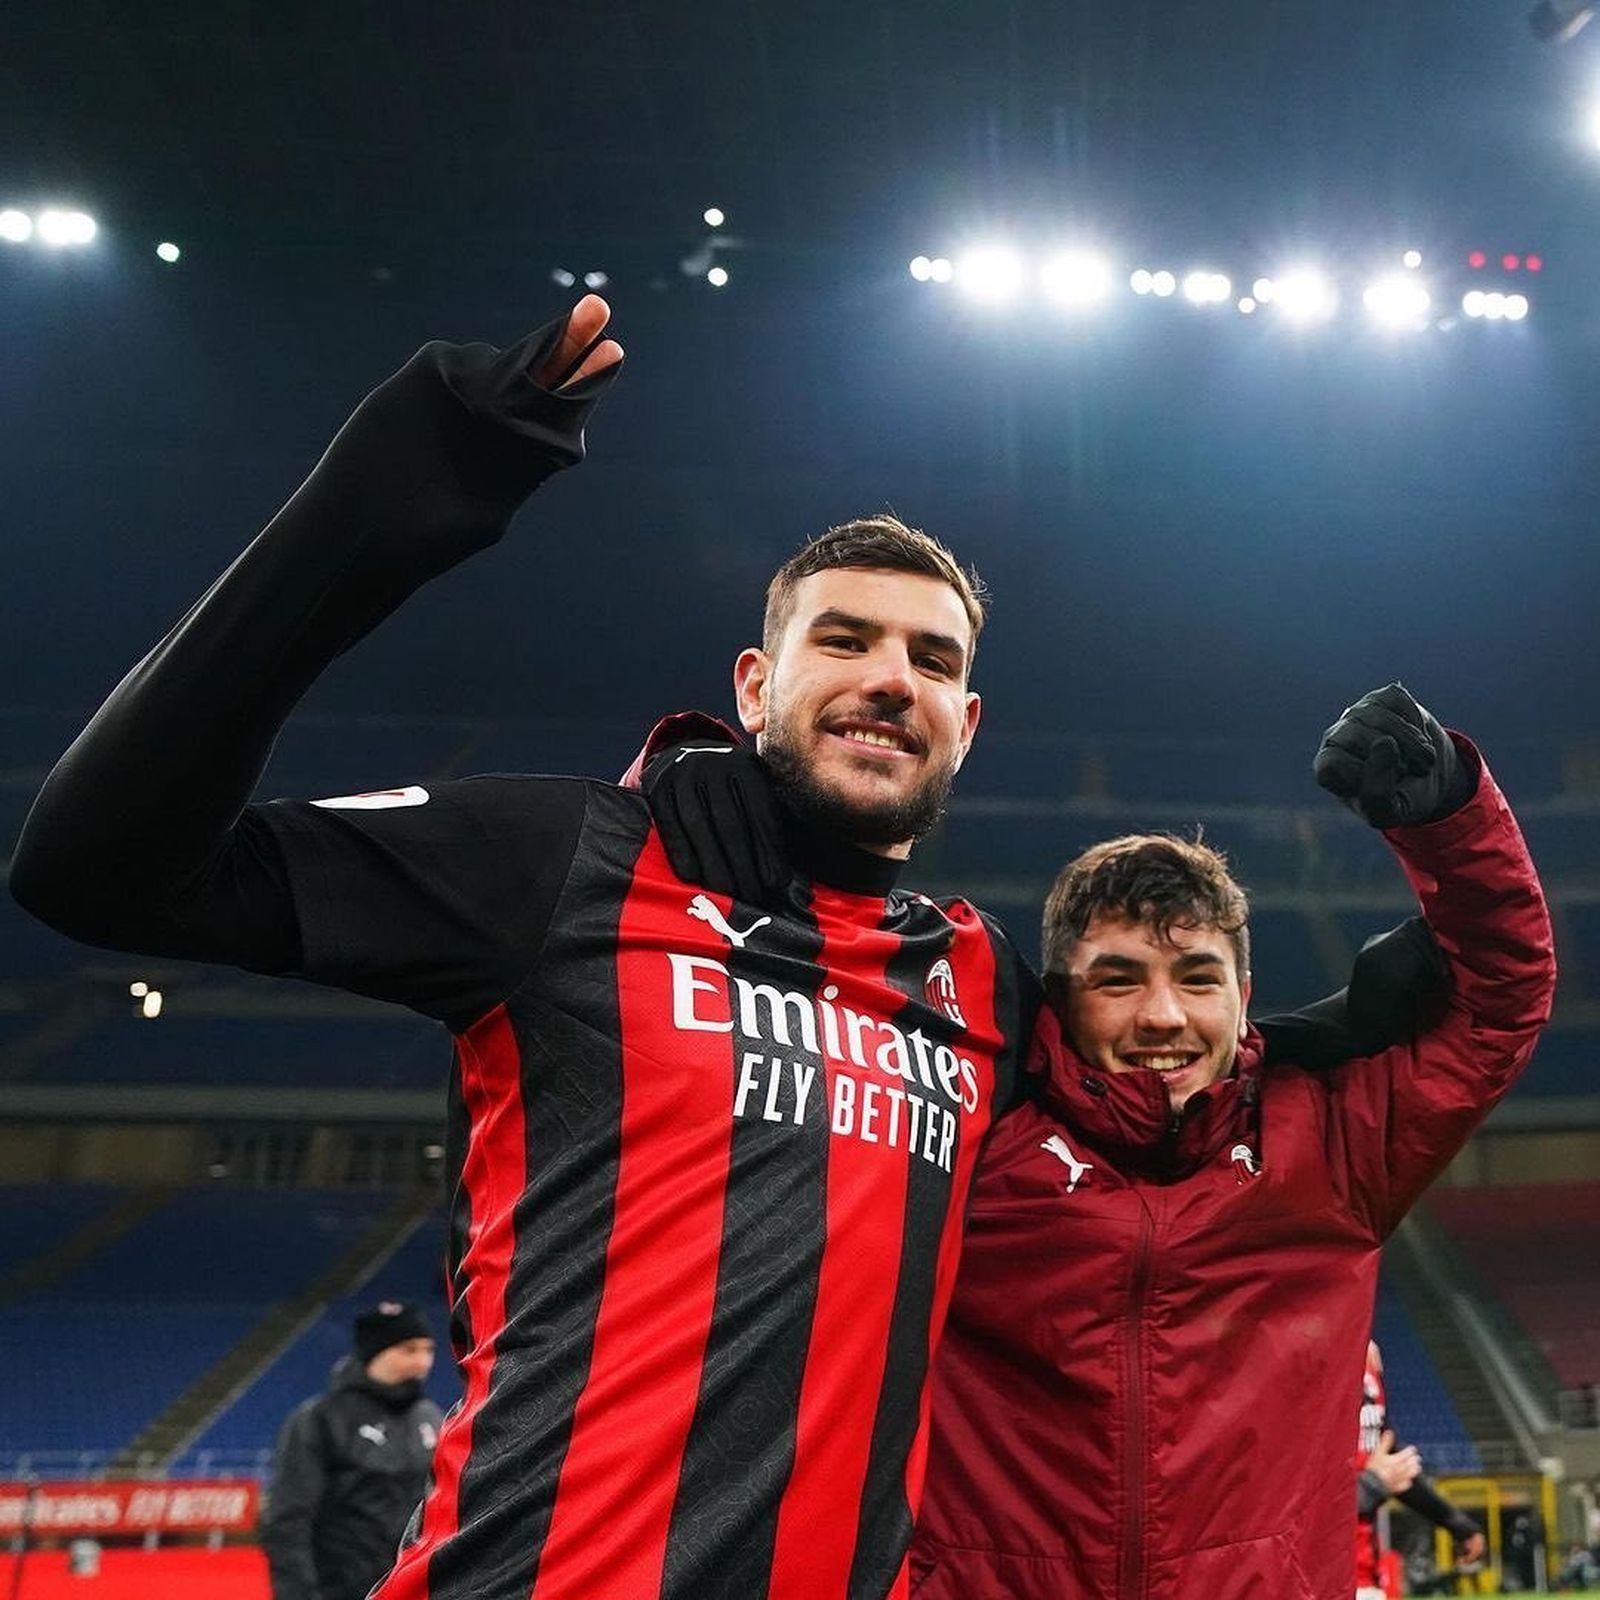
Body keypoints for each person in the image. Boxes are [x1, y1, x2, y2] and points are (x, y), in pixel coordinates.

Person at [8, 295, 1427, 1600]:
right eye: (846, 641)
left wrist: (1354, 1004)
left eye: (933, 660)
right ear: (754, 684)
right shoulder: (562, 867)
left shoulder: (978, 972)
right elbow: (93, 868)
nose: (890, 678)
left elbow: (1164, 1084)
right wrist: (360, 529)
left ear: (969, 726)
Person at [904, 685, 1554, 1599]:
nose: (1164, 1016)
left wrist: (1451, 819)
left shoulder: (1333, 1145)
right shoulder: (967, 1134)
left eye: (1197, 977)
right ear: (1059, 997)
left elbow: (1501, 1001)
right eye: (1119, 980)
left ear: (1245, 993)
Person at [262, 1302, 443, 1600]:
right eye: (409, 1350)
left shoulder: (431, 1417)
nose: (423, 1362)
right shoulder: (320, 1419)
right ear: (375, 1353)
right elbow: (288, 1519)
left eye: (428, 1350)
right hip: (342, 1590)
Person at [1356, 1337, 1485, 1600]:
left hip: (1363, 1572)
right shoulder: (1294, 1363)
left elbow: (1385, 1462)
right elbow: (1285, 1495)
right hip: (1312, 1575)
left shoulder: (1366, 1363)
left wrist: (1454, 1522)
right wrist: (1370, 1485)